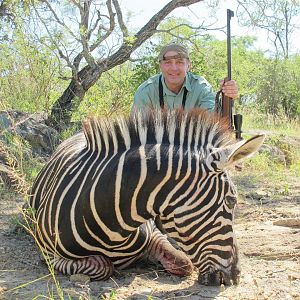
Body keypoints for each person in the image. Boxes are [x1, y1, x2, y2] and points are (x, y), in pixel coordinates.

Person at [132, 43, 239, 112]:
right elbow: (138, 131)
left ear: (188, 66)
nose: (173, 68)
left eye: (179, 62)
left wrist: (227, 97)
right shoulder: (145, 91)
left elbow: (213, 119)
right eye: (168, 62)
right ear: (160, 66)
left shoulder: (202, 87)